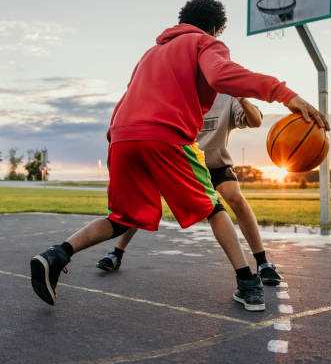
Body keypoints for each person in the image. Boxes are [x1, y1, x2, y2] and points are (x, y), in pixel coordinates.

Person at [30, 0, 329, 311]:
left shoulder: (150, 54)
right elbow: (221, 76)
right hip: (165, 135)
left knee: (123, 218)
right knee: (214, 208)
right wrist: (284, 94)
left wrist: (118, 137)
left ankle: (56, 254)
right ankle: (248, 283)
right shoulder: (205, 43)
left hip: (122, 138)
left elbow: (128, 97)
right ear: (216, 28)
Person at [96, 94, 282, 286]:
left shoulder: (228, 97)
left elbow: (256, 121)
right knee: (145, 202)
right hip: (181, 163)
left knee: (235, 197)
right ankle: (116, 253)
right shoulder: (181, 90)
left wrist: (242, 99)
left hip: (214, 163)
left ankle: (263, 263)